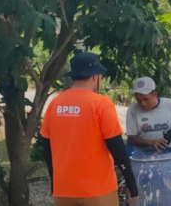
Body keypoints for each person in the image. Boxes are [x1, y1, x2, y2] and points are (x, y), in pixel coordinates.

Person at [40, 52, 138, 206]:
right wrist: (131, 183)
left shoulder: (55, 104)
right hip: (98, 191)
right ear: (95, 76)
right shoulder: (101, 104)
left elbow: (47, 147)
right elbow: (117, 148)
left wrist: (54, 181)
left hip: (64, 189)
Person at [126, 76, 171, 152]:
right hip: (142, 156)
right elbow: (131, 138)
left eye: (146, 99)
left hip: (165, 154)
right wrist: (150, 142)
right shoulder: (133, 109)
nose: (143, 104)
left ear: (154, 94)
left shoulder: (169, 104)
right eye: (139, 100)